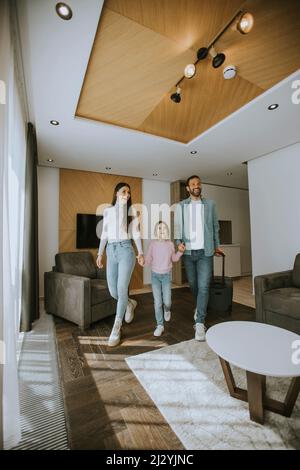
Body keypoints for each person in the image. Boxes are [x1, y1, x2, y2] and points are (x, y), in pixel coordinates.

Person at [174, 175, 224, 341]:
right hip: (188, 253)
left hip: (205, 252)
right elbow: (177, 228)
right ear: (188, 188)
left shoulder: (210, 204)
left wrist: (217, 245)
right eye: (193, 184)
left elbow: (216, 227)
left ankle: (200, 322)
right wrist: (178, 243)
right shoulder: (181, 206)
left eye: (198, 183)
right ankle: (199, 307)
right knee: (194, 285)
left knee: (203, 286)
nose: (197, 186)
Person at [96, 182, 144, 347]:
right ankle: (130, 303)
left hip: (126, 250)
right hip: (111, 250)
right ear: (116, 192)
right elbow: (104, 233)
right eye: (124, 191)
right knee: (113, 291)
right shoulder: (107, 211)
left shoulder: (131, 211)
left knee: (122, 288)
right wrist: (100, 253)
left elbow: (136, 233)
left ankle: (116, 328)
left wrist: (141, 253)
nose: (127, 195)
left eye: (129, 193)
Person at [144, 221, 185, 337]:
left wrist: (180, 252)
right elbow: (148, 260)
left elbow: (174, 258)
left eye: (164, 228)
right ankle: (160, 325)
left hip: (166, 276)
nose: (161, 230)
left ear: (167, 232)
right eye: (159, 228)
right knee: (157, 302)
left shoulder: (170, 244)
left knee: (167, 301)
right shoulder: (152, 244)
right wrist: (143, 261)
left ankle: (167, 310)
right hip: (155, 276)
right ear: (155, 232)